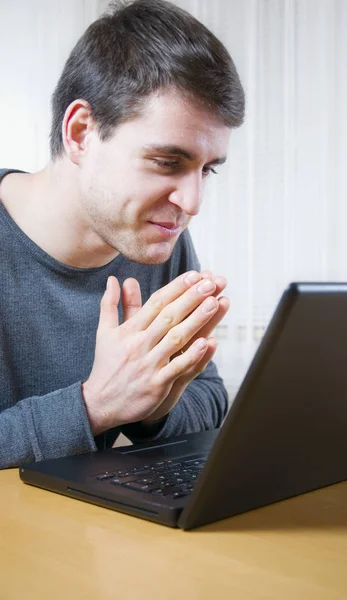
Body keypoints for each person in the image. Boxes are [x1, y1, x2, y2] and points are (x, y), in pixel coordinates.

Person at [0, 0, 245, 469]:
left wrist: (153, 405)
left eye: (207, 170)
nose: (191, 204)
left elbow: (210, 400)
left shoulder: (152, 236)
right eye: (167, 162)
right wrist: (95, 406)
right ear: (80, 133)